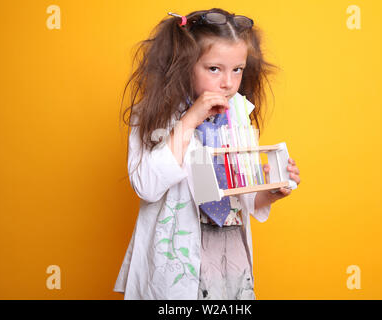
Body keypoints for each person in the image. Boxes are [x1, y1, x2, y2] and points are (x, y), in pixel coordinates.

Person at [114, 8, 301, 300]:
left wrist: (271, 192)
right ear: (184, 65)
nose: (228, 82)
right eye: (214, 69)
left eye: (237, 69)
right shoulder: (151, 116)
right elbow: (147, 186)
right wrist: (190, 119)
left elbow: (243, 199)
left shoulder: (237, 117)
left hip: (227, 257)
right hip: (177, 259)